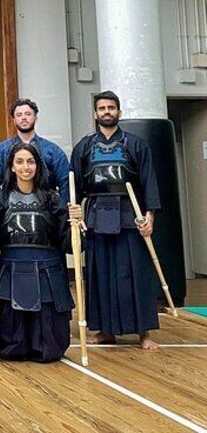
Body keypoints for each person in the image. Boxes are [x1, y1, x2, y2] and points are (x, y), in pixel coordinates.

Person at [70, 90, 162, 350]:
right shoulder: (84, 147)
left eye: (111, 108)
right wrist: (75, 214)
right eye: (102, 108)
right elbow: (74, 184)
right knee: (101, 274)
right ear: (96, 113)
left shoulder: (136, 144)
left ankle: (144, 332)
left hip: (129, 214)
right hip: (97, 215)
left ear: (119, 112)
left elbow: (149, 181)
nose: (107, 112)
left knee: (135, 272)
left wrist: (149, 217)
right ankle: (105, 330)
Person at [0, 143, 82, 362]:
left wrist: (75, 223)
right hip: (10, 271)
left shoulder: (53, 199)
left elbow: (70, 246)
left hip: (48, 271)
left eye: (30, 161)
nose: (25, 167)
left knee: (51, 349)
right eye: (19, 161)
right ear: (11, 166)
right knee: (12, 348)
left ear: (38, 166)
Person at [0, 98, 70, 203]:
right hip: (11, 208)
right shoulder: (1, 151)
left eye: (28, 114)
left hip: (47, 208)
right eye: (19, 115)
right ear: (14, 120)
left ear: (36, 118)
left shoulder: (53, 151)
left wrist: (60, 208)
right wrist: (1, 205)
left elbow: (65, 183)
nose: (24, 118)